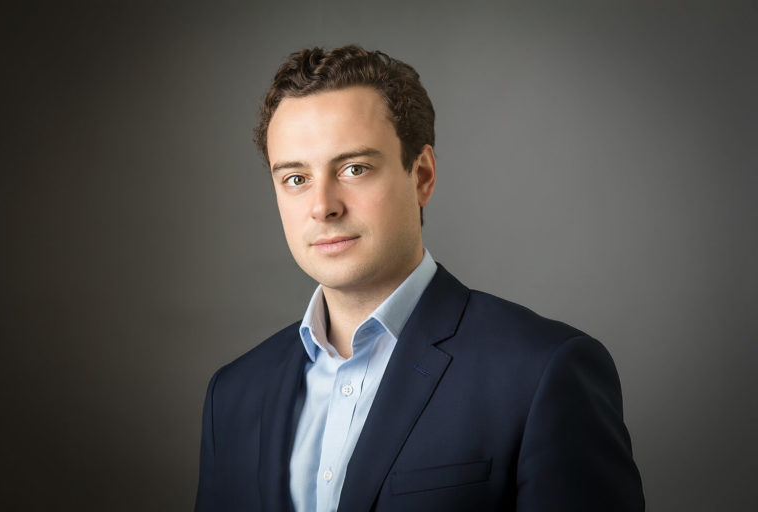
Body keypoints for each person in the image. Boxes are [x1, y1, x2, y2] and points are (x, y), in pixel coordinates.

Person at [195, 45, 645, 512]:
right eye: (295, 178)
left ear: (422, 175)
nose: (322, 206)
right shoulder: (232, 395)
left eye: (354, 168)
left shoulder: (542, 372)